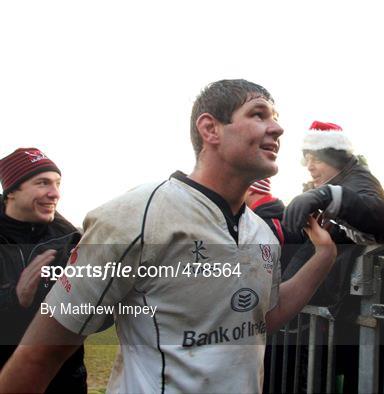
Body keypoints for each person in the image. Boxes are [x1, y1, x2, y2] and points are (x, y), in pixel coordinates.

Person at [0, 79, 337, 394]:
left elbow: (258, 321)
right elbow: (40, 356)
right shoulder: (135, 217)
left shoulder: (261, 233)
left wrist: (324, 256)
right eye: (258, 114)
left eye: (275, 118)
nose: (277, 128)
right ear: (210, 129)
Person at [282, 121, 384, 392]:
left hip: (369, 307)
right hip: (343, 308)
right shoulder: (317, 188)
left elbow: (380, 220)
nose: (310, 166)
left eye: (317, 159)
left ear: (335, 157)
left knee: (369, 377)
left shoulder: (359, 181)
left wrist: (330, 196)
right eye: (307, 159)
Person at [0, 147, 87, 393]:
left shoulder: (71, 240)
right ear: (12, 191)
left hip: (63, 381)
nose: (54, 193)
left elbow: (93, 320)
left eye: (58, 183)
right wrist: (14, 299)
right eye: (42, 183)